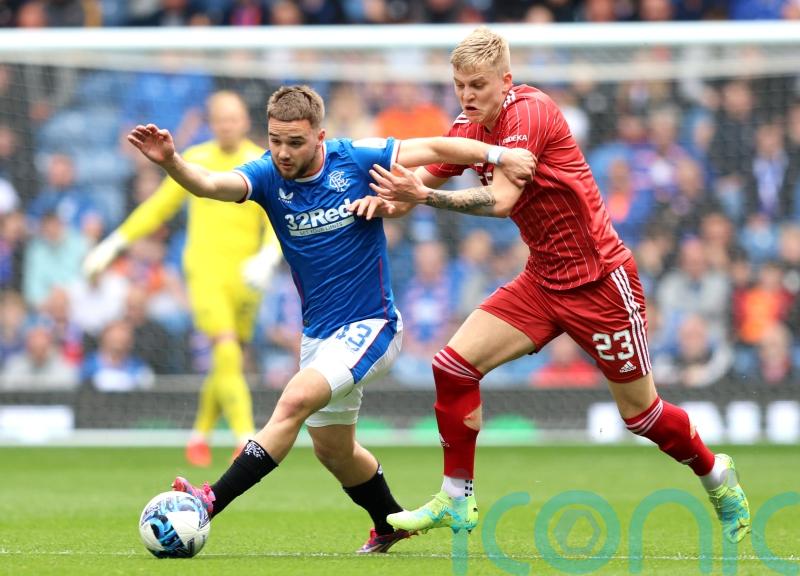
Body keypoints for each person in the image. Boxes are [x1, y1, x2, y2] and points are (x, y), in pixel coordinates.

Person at [371, 27, 751, 544]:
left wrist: (421, 197)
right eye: (459, 85)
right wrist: (373, 199)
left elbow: (500, 201)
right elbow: (422, 175)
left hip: (600, 282)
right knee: (453, 367)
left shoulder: (528, 114)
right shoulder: (470, 125)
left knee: (641, 416)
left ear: (506, 80)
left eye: (478, 85)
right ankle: (456, 499)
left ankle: (715, 473)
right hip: (543, 280)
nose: (467, 96)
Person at [125, 84, 535, 553]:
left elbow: (440, 147)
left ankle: (207, 501)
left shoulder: (356, 158)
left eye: (295, 142)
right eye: (275, 139)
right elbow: (212, 185)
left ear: (320, 137)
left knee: (293, 400)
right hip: (319, 335)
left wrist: (501, 155)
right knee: (334, 451)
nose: (282, 151)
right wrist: (172, 163)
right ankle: (388, 522)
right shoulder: (265, 175)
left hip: (373, 324)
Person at [83, 91, 281, 467]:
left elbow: (276, 216)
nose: (227, 125)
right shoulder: (195, 159)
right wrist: (114, 243)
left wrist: (268, 257)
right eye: (220, 119)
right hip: (204, 272)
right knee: (225, 349)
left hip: (246, 277)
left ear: (245, 121)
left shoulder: (260, 160)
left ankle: (199, 435)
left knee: (230, 360)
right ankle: (246, 438)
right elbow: (158, 208)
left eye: (234, 118)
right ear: (211, 122)